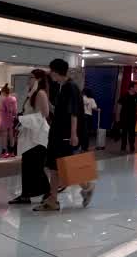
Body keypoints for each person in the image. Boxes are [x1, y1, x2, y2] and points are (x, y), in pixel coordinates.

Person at [36, 58, 94, 211]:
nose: (50, 74)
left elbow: (73, 113)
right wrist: (49, 105)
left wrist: (74, 134)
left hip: (65, 134)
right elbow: (63, 112)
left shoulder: (71, 87)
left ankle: (87, 187)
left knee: (67, 167)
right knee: (54, 167)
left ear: (55, 71)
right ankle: (52, 200)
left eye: (51, 71)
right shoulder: (63, 87)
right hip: (58, 133)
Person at [10, 71, 51, 204]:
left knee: (35, 166)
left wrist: (22, 119)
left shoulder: (40, 93)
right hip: (30, 134)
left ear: (38, 79)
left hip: (37, 136)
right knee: (28, 166)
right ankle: (26, 194)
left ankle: (47, 192)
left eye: (31, 78)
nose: (28, 80)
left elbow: (44, 113)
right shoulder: (32, 94)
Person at [116, 81, 137, 153]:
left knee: (132, 132)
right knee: (124, 132)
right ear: (131, 88)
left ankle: (132, 146)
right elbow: (119, 106)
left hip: (133, 117)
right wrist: (117, 117)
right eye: (135, 87)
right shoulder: (124, 95)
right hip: (124, 116)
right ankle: (123, 147)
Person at [0, 84, 18, 157]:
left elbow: (4, 109)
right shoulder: (13, 99)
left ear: (3, 92)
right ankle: (12, 152)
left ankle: (4, 152)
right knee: (11, 135)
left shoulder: (3, 99)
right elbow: (15, 110)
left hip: (4, 118)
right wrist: (14, 116)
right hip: (11, 118)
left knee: (4, 136)